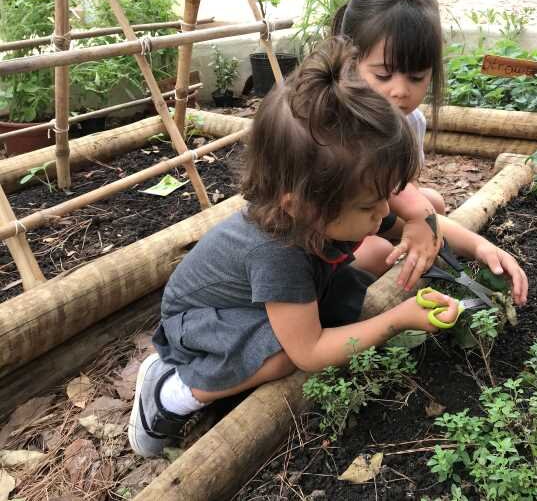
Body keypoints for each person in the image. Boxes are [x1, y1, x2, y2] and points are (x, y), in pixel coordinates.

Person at [127, 38, 461, 458]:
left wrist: (426, 223)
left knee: (347, 285)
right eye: (369, 204)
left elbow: (401, 221)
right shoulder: (276, 252)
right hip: (201, 323)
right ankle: (170, 393)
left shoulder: (327, 209)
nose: (384, 212)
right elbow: (310, 353)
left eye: (387, 197)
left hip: (258, 297)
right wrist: (398, 319)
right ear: (300, 204)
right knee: (286, 356)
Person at [331, 0, 528, 301]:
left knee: (433, 203)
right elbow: (395, 198)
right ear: (349, 63)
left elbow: (397, 195)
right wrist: (421, 221)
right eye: (383, 75)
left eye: (416, 77)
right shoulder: (341, 126)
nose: (400, 91)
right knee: (377, 253)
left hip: (371, 212)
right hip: (334, 227)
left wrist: (481, 246)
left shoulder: (412, 121)